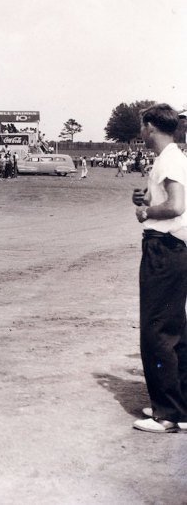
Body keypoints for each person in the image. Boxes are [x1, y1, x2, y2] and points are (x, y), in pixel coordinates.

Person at [131, 103, 187, 433]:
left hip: (164, 250)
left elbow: (177, 205)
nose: (141, 132)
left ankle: (166, 414)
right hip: (174, 248)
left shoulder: (170, 159)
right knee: (174, 329)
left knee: (157, 330)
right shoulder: (173, 158)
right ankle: (176, 406)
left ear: (151, 126)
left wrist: (147, 212)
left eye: (142, 126)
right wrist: (147, 202)